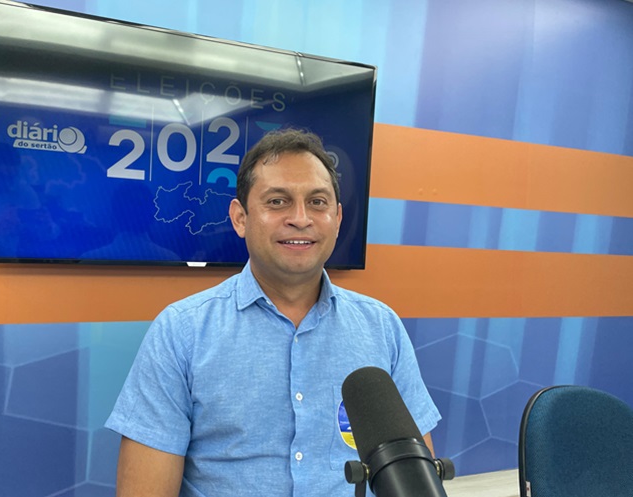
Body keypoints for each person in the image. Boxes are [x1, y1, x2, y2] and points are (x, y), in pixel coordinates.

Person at [105, 128, 441, 496]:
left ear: (338, 218)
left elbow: (416, 479)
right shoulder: (181, 332)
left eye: (317, 202)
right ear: (240, 218)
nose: (301, 218)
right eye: (278, 201)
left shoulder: (382, 328)